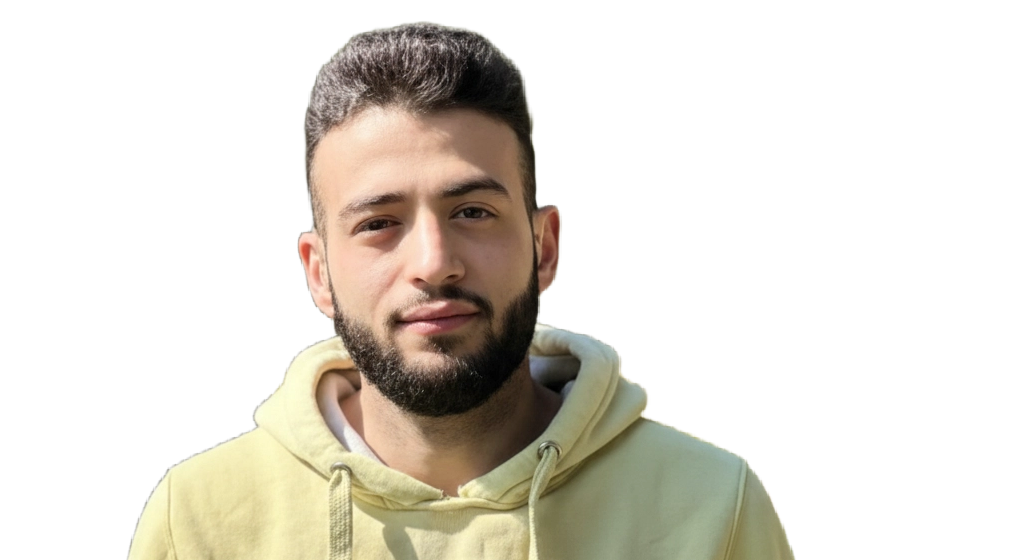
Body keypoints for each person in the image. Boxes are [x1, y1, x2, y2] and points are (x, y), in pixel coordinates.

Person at [127, 22, 794, 560]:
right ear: (318, 272)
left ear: (545, 247)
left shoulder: (716, 506)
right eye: (379, 223)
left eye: (472, 211)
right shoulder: (197, 520)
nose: (435, 264)